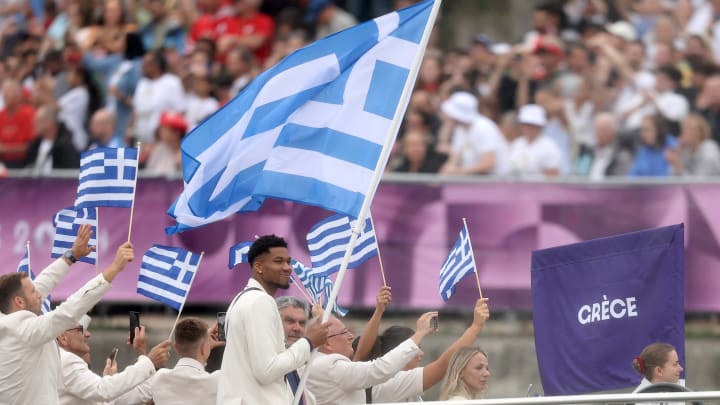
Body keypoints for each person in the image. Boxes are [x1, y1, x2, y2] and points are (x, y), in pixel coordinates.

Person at [0, 226, 134, 404]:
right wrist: (115, 268)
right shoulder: (22, 328)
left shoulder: (9, 319)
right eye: (33, 292)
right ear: (19, 302)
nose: (40, 294)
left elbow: (43, 282)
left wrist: (72, 256)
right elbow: (68, 310)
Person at [307, 298, 490, 404]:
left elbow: (440, 366)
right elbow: (373, 365)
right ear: (397, 353)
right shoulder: (325, 365)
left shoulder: (372, 385)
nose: (350, 336)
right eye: (414, 349)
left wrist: (475, 327)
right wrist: (419, 334)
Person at [217, 234, 329, 404]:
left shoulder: (242, 298)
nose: (287, 268)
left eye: (288, 261)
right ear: (259, 266)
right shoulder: (260, 301)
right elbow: (267, 370)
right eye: (278, 261)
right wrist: (309, 342)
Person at [57, 318, 171, 405]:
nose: (88, 334)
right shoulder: (66, 360)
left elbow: (125, 396)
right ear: (63, 338)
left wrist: (143, 355)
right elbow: (104, 391)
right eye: (81, 329)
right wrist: (149, 361)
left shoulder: (62, 361)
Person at [128, 317, 224, 404]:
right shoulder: (217, 381)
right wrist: (205, 346)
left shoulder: (159, 377)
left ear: (176, 347)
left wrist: (141, 352)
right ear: (204, 348)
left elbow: (126, 396)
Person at [438, 91, 509, 176]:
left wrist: (458, 171)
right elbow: (454, 159)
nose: (446, 115)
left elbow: (488, 163)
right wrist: (439, 179)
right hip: (474, 182)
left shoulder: (484, 127)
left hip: (494, 183)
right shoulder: (460, 129)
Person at [508, 104, 565, 177]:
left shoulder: (550, 147)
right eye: (526, 124)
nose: (528, 128)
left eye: (533, 125)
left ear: (540, 126)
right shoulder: (517, 143)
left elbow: (553, 177)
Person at [24, 105, 80, 175]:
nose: (34, 124)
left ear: (50, 123)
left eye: (38, 121)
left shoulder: (66, 146)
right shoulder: (35, 145)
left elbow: (71, 171)